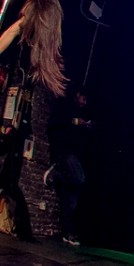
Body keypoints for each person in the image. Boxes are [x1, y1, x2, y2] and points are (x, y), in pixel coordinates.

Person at [44, 89, 91, 245]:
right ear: (78, 94)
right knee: (79, 179)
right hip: (63, 151)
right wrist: (74, 121)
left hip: (75, 155)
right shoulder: (65, 105)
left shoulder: (82, 112)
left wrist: (85, 127)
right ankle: (56, 173)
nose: (85, 103)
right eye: (84, 98)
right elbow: (53, 123)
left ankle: (68, 233)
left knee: (71, 197)